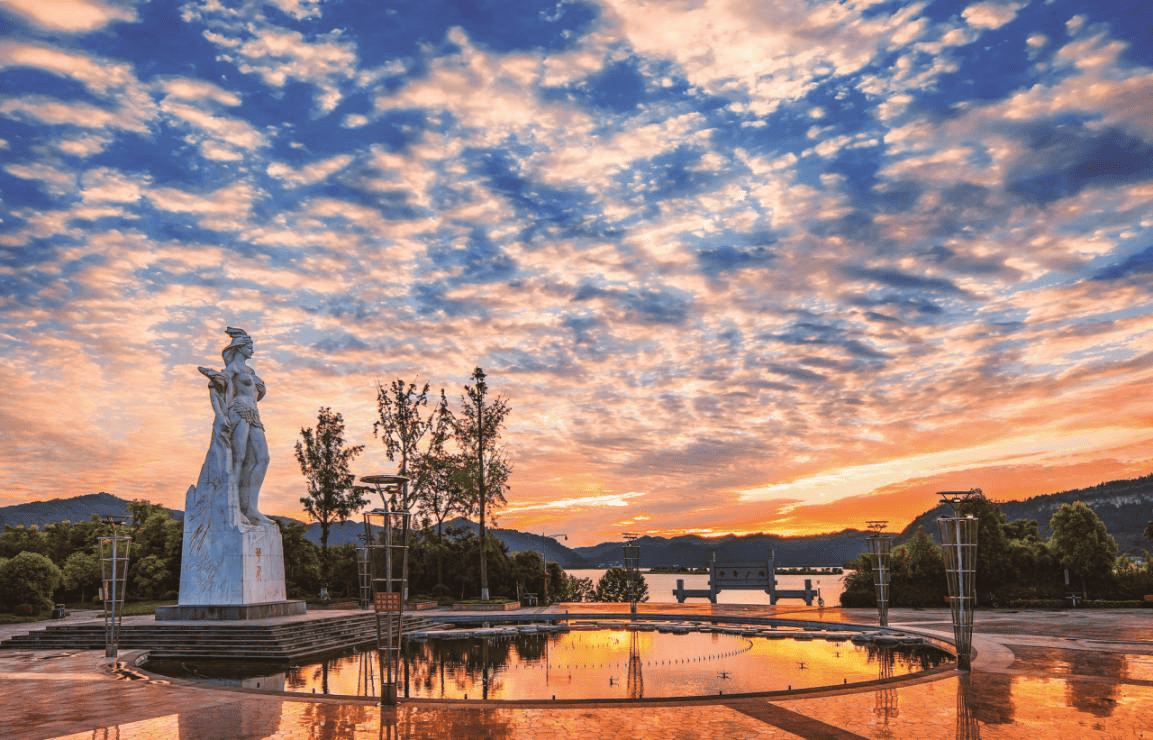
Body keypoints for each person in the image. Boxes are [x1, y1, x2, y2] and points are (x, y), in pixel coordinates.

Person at [198, 327, 272, 526]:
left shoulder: (250, 371)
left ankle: (251, 507)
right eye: (250, 346)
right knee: (237, 459)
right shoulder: (235, 368)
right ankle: (235, 508)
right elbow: (218, 386)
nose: (253, 351)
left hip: (254, 415)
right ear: (240, 348)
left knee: (261, 459)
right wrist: (220, 414)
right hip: (238, 412)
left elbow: (256, 393)